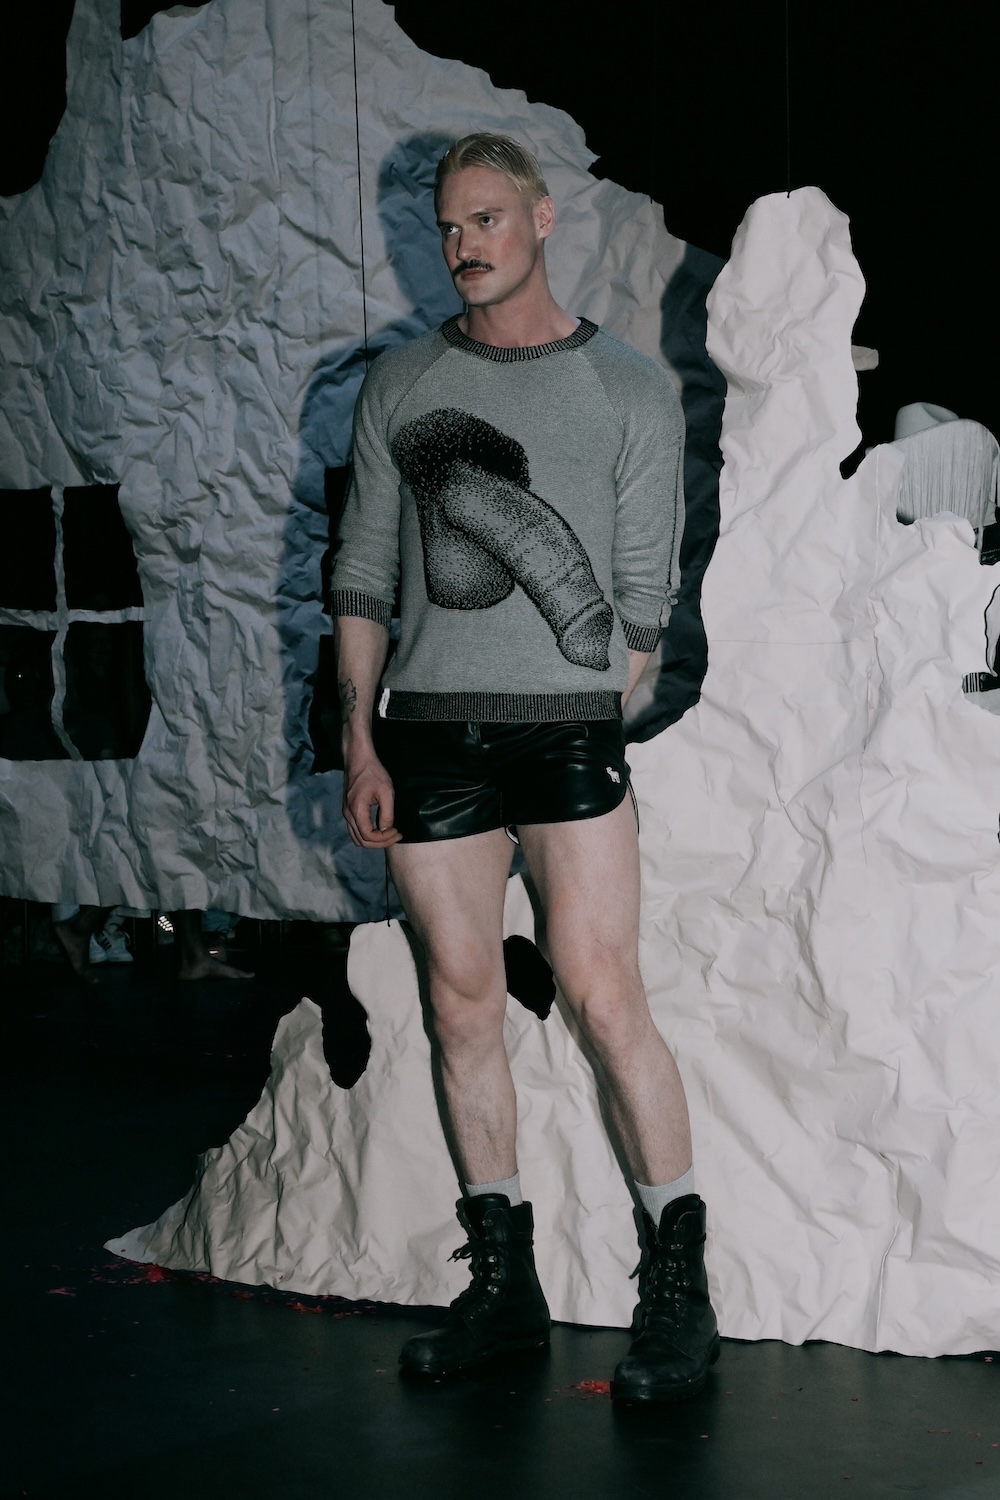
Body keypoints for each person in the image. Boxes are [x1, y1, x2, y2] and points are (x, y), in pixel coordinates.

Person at [330, 132, 718, 1403]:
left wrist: (590, 708)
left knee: (605, 998)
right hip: (428, 734)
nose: (464, 245)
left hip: (564, 732)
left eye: (487, 219)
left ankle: (680, 1291)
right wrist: (360, 738)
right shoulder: (402, 383)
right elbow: (363, 573)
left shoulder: (625, 387)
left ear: (542, 220)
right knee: (460, 1007)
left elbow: (645, 595)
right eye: (449, 226)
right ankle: (504, 1289)